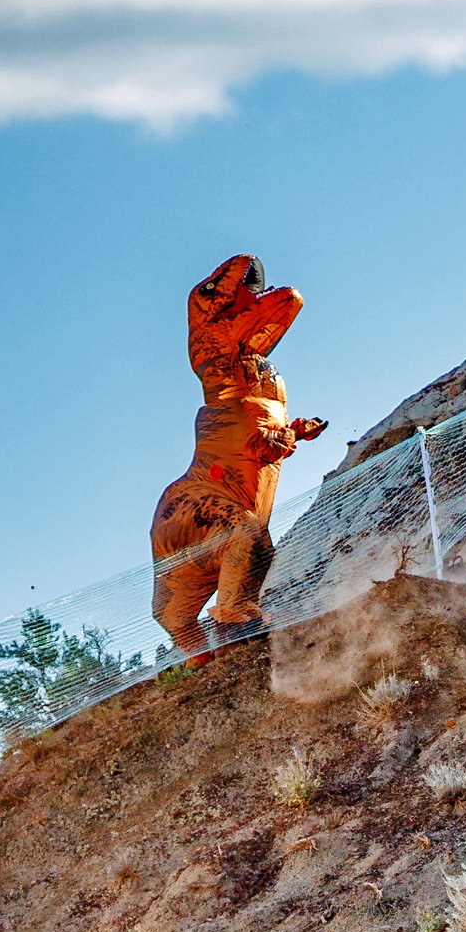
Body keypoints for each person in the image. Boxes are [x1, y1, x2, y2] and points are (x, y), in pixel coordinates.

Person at [149, 259, 327, 660]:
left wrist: (293, 433)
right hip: (193, 505)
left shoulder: (252, 394)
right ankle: (233, 616)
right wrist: (290, 436)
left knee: (184, 608)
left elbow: (261, 447)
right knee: (247, 537)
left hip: (195, 505)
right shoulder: (226, 391)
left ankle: (204, 657)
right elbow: (259, 446)